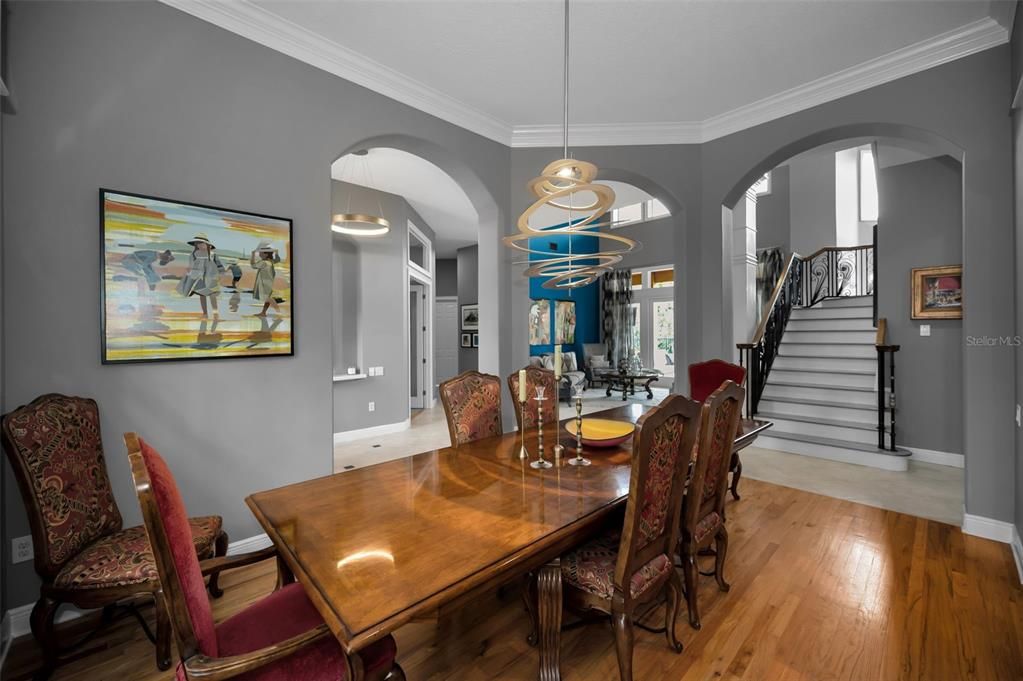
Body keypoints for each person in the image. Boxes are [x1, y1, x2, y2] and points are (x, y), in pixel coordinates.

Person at [177, 233, 225, 318]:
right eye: (197, 244)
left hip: (211, 277)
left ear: (207, 245)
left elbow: (220, 266)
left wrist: (220, 275)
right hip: (199, 278)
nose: (199, 245)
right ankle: (205, 313)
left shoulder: (212, 255)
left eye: (201, 243)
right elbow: (192, 266)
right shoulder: (194, 255)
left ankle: (215, 313)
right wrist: (189, 272)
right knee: (202, 295)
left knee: (212, 295)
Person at [250, 240, 282, 317]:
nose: (259, 254)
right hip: (269, 282)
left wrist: (252, 255)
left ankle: (278, 312)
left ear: (266, 254)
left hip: (264, 283)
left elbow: (253, 265)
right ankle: (264, 312)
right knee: (268, 298)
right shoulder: (270, 261)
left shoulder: (263, 262)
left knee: (268, 298)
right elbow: (278, 259)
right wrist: (276, 253)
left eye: (261, 252)